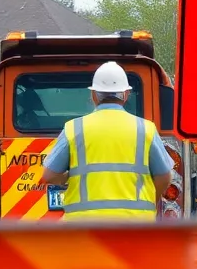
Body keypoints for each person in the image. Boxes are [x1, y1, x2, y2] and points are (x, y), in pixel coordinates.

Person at [40, 61, 173, 220]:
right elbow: (165, 176)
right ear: (126, 94)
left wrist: (69, 177)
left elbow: (49, 175)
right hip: (135, 226)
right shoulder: (146, 129)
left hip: (84, 227)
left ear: (94, 95)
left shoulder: (74, 128)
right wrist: (151, 199)